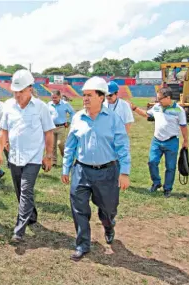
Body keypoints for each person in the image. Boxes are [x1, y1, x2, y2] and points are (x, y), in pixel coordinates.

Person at [61, 76, 131, 261]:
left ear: (101, 97)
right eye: (84, 95)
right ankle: (82, 244)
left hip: (107, 172)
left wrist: (124, 172)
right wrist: (65, 168)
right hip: (81, 170)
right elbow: (70, 145)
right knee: (78, 208)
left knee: (107, 209)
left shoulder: (113, 119)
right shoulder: (77, 118)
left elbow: (123, 146)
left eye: (89, 95)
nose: (85, 98)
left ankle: (108, 225)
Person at [0, 69, 55, 242]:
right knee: (20, 192)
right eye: (15, 91)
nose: (17, 95)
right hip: (14, 157)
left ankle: (19, 231)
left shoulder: (40, 107)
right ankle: (32, 215)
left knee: (26, 190)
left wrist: (48, 155)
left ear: (30, 89)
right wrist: (0, 153)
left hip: (33, 158)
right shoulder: (9, 107)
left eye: (21, 91)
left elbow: (49, 133)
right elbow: (3, 132)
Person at [130, 87, 188, 198]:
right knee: (152, 162)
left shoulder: (178, 110)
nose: (158, 101)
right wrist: (135, 108)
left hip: (171, 142)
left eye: (160, 99)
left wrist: (186, 141)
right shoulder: (157, 107)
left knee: (170, 167)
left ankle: (167, 188)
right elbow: (147, 115)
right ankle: (156, 182)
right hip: (156, 141)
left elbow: (183, 127)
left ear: (168, 98)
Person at [47, 90, 75, 166]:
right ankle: (54, 162)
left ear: (60, 97)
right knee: (52, 145)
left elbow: (73, 113)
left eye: (55, 97)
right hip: (51, 127)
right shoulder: (49, 104)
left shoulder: (65, 104)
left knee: (60, 143)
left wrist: (69, 122)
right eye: (52, 97)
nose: (54, 99)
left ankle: (65, 158)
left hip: (61, 127)